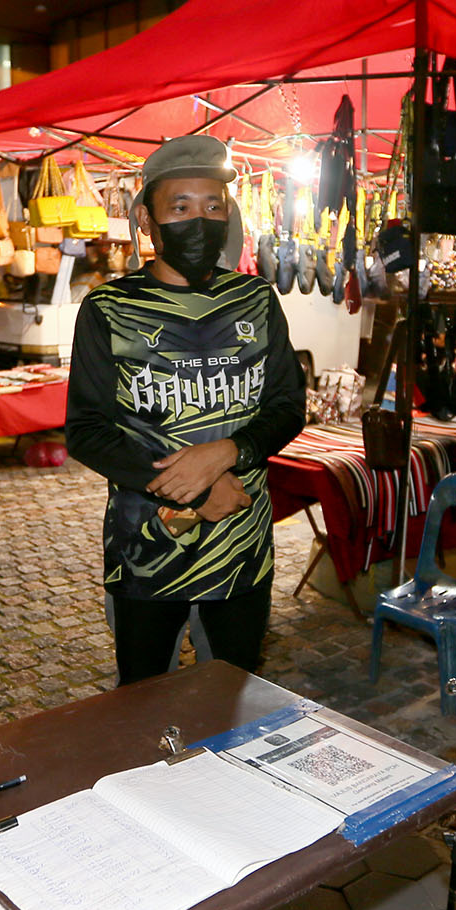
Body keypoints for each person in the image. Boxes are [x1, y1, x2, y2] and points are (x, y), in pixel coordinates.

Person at [65, 136, 305, 685]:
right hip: (146, 552)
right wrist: (197, 486)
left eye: (212, 206)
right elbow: (86, 432)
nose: (199, 220)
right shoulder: (109, 309)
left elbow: (288, 406)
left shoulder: (257, 300)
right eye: (180, 207)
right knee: (145, 704)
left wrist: (231, 451)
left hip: (241, 545)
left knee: (235, 697)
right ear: (147, 220)